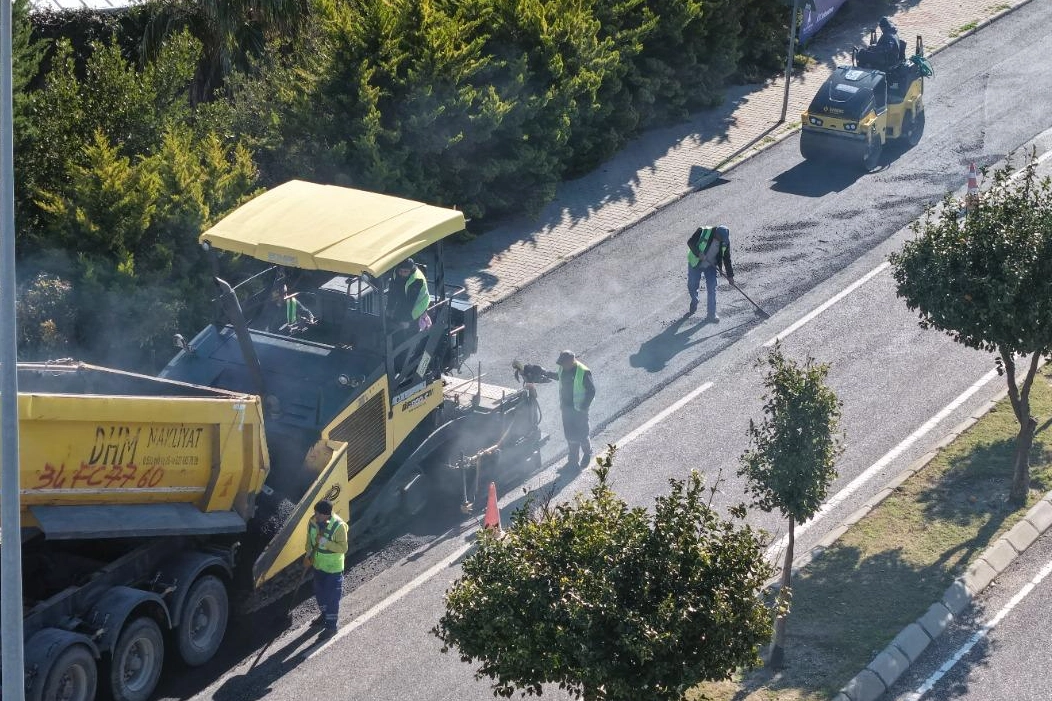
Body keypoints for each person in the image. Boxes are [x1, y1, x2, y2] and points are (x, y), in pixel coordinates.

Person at [541, 350, 595, 470]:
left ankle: (587, 453)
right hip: (566, 409)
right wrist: (546, 373)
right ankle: (573, 459)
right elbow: (558, 376)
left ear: (571, 361)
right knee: (570, 434)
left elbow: (591, 391)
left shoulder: (583, 372)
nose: (561, 366)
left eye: (563, 364)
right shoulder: (563, 369)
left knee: (582, 434)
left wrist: (583, 406)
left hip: (579, 410)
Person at [303, 499, 348, 637]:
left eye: (318, 514)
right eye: (315, 512)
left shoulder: (338, 526)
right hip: (318, 565)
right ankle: (324, 616)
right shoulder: (312, 522)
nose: (315, 516)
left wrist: (324, 542)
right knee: (320, 592)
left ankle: (331, 627)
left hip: (333, 568)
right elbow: (309, 540)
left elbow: (343, 548)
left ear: (326, 514)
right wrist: (308, 555)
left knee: (332, 597)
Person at [686, 225, 734, 321]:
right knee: (692, 285)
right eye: (721, 238)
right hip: (696, 263)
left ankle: (711, 314)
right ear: (716, 234)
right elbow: (690, 242)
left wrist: (730, 275)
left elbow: (727, 259)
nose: (722, 241)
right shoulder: (703, 231)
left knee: (712, 288)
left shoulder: (724, 241)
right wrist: (699, 253)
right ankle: (695, 300)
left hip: (710, 266)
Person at [387, 258, 431, 331]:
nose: (402, 274)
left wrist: (406, 320)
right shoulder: (396, 273)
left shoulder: (417, 279)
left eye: (405, 272)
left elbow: (410, 302)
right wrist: (389, 309)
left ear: (411, 271)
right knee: (394, 321)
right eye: (400, 271)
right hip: (404, 299)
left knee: (410, 331)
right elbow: (392, 293)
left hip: (419, 305)